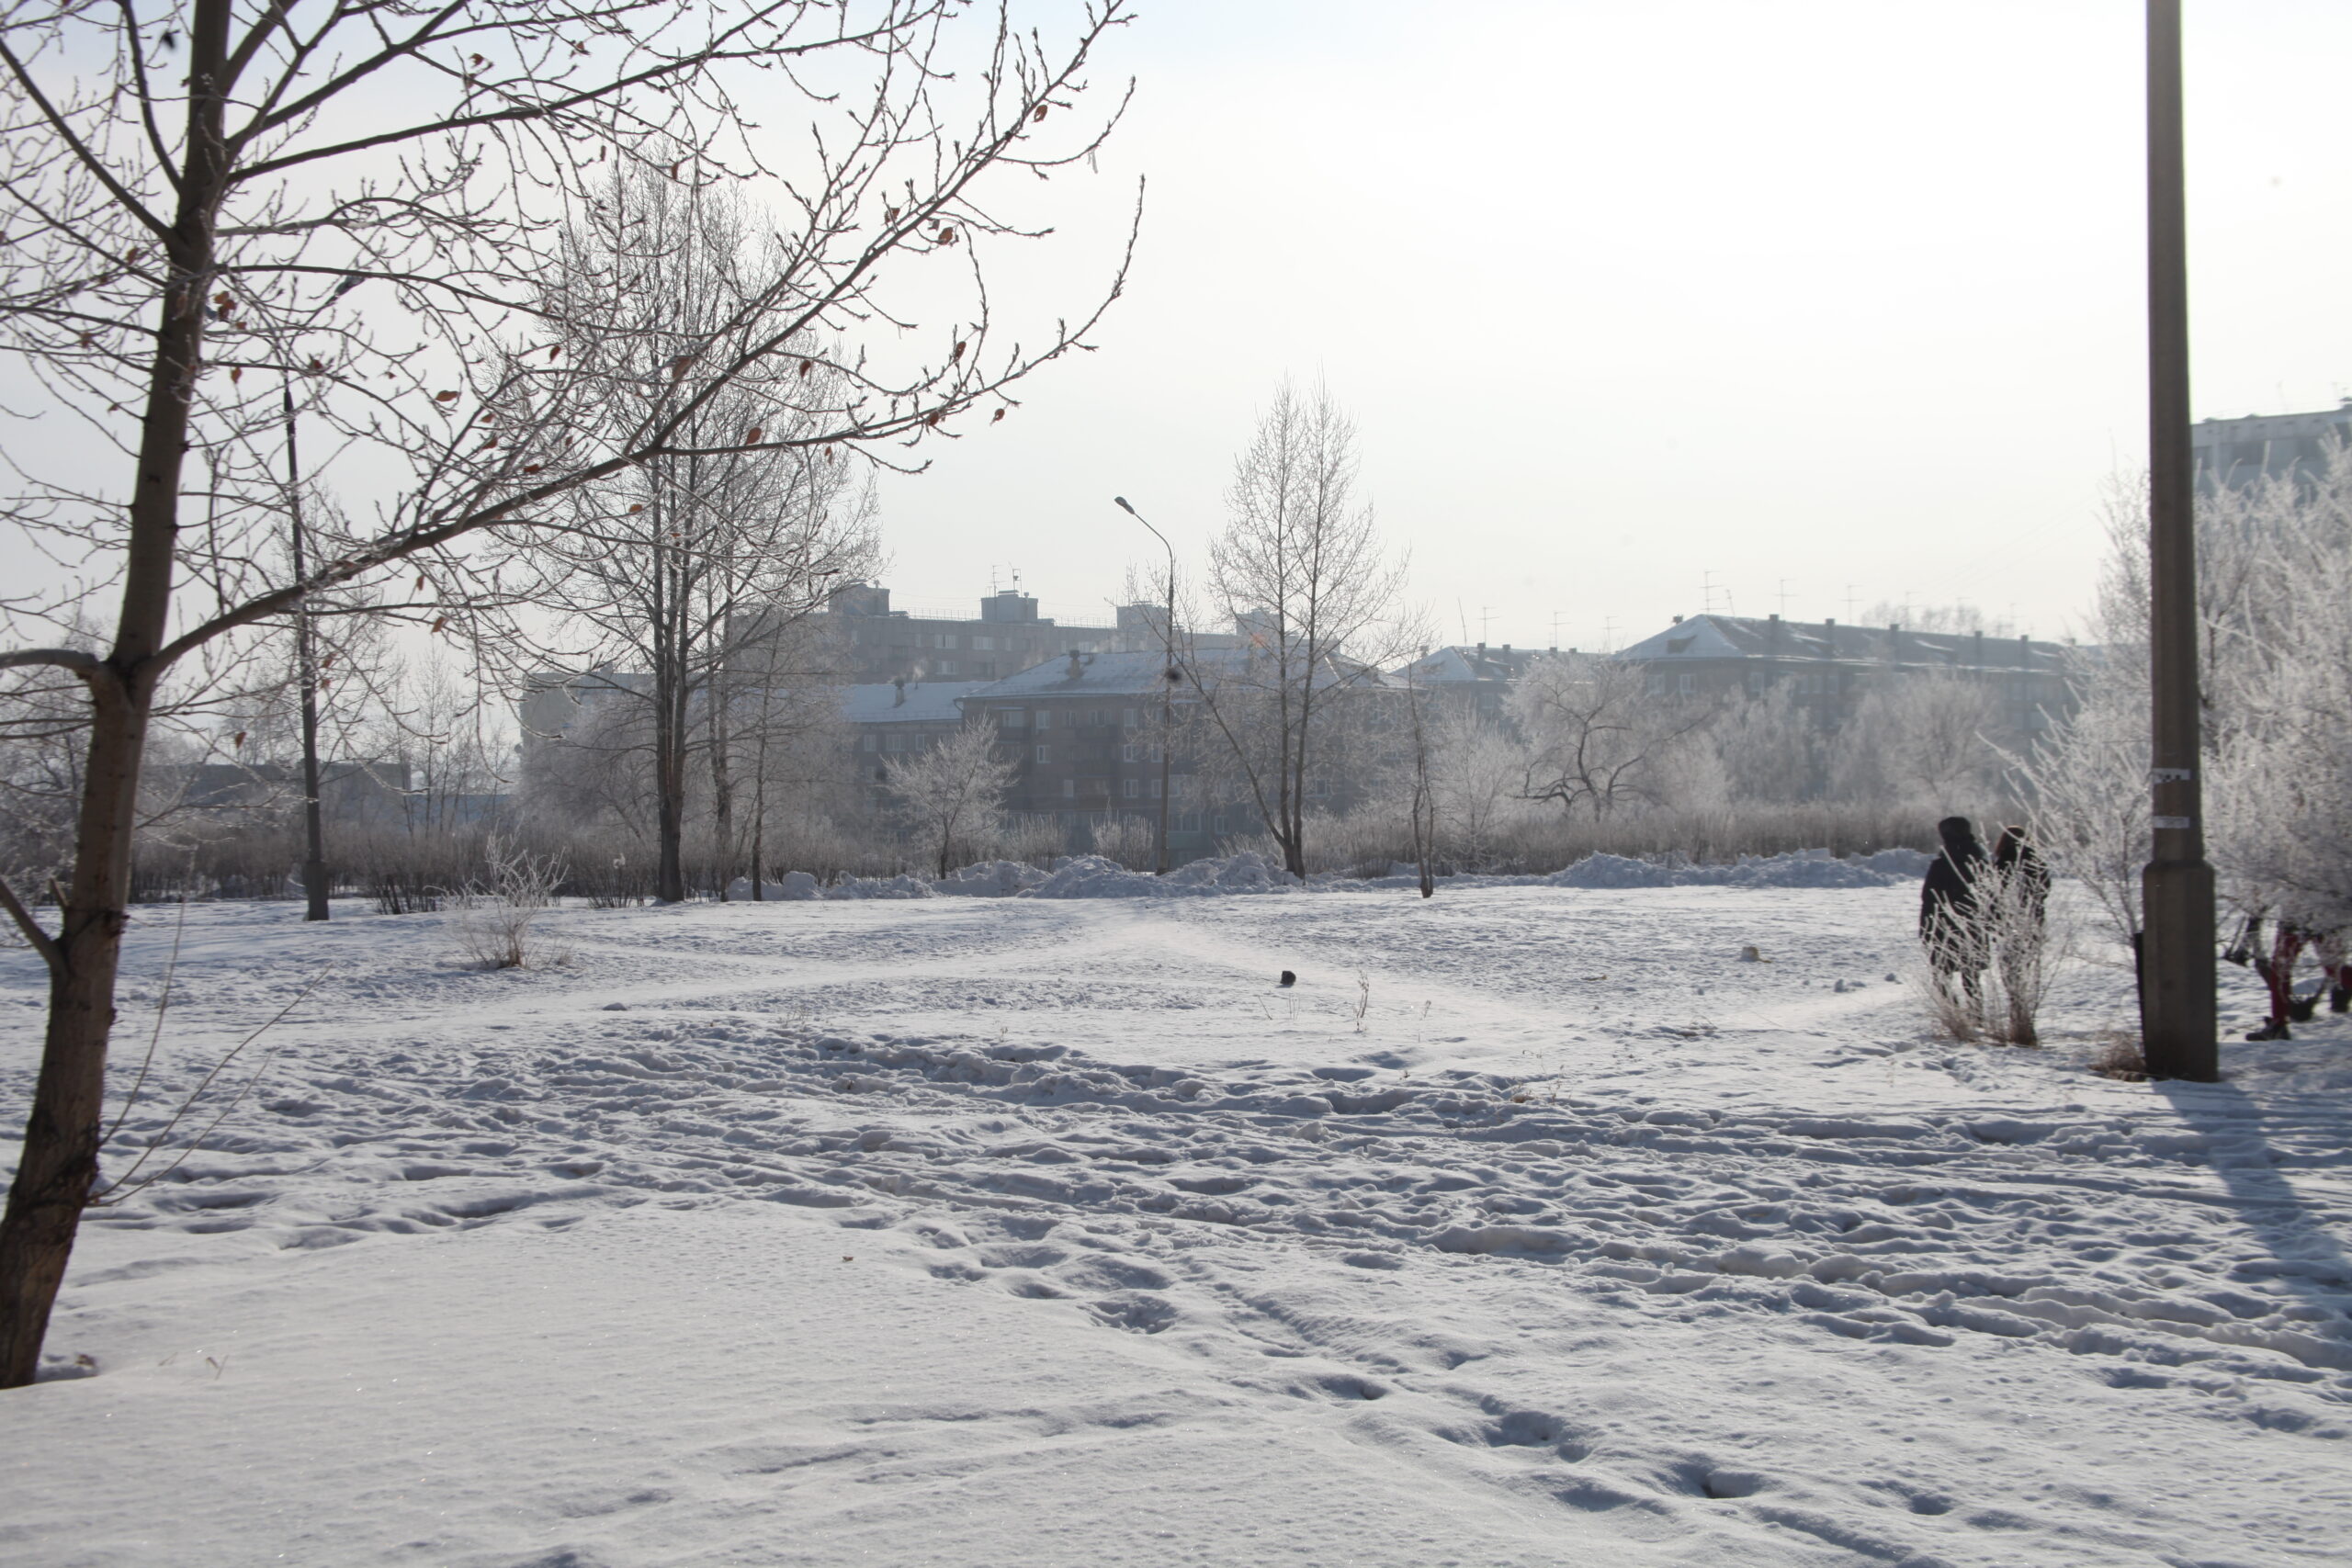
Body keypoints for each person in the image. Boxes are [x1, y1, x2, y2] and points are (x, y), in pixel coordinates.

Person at [1920, 815, 1989, 1003]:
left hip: (1944, 926)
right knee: (1972, 976)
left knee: (1942, 975)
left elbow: (1929, 899)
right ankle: (1976, 1015)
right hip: (1974, 925)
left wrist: (1926, 929)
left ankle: (1954, 1016)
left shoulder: (1942, 864)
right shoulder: (1980, 861)